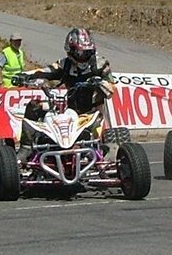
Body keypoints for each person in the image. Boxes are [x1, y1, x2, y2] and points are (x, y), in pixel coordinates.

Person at [14, 28, 116, 162]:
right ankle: (27, 147)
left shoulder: (101, 64)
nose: (83, 55)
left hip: (93, 113)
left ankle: (95, 153)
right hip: (70, 111)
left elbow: (111, 89)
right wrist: (25, 76)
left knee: (105, 147)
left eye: (87, 52)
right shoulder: (65, 64)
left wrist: (101, 83)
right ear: (71, 50)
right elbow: (46, 71)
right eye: (80, 52)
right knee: (34, 106)